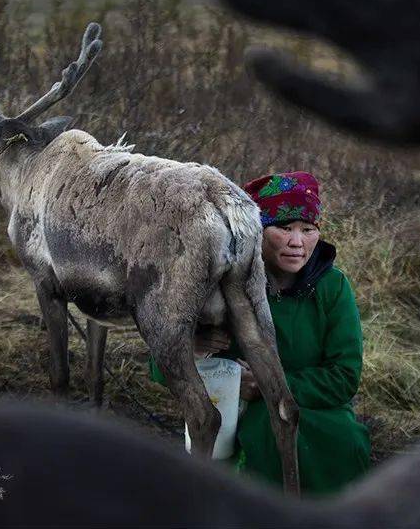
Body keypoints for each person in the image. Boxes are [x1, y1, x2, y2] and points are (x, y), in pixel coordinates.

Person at [149, 171, 371, 494]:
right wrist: (193, 348)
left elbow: (345, 376)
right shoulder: (221, 284)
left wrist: (270, 385)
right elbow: (158, 369)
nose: (297, 242)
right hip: (239, 412)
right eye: (284, 228)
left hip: (315, 407)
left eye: (308, 230)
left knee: (345, 443)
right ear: (257, 230)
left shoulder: (333, 288)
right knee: (259, 440)